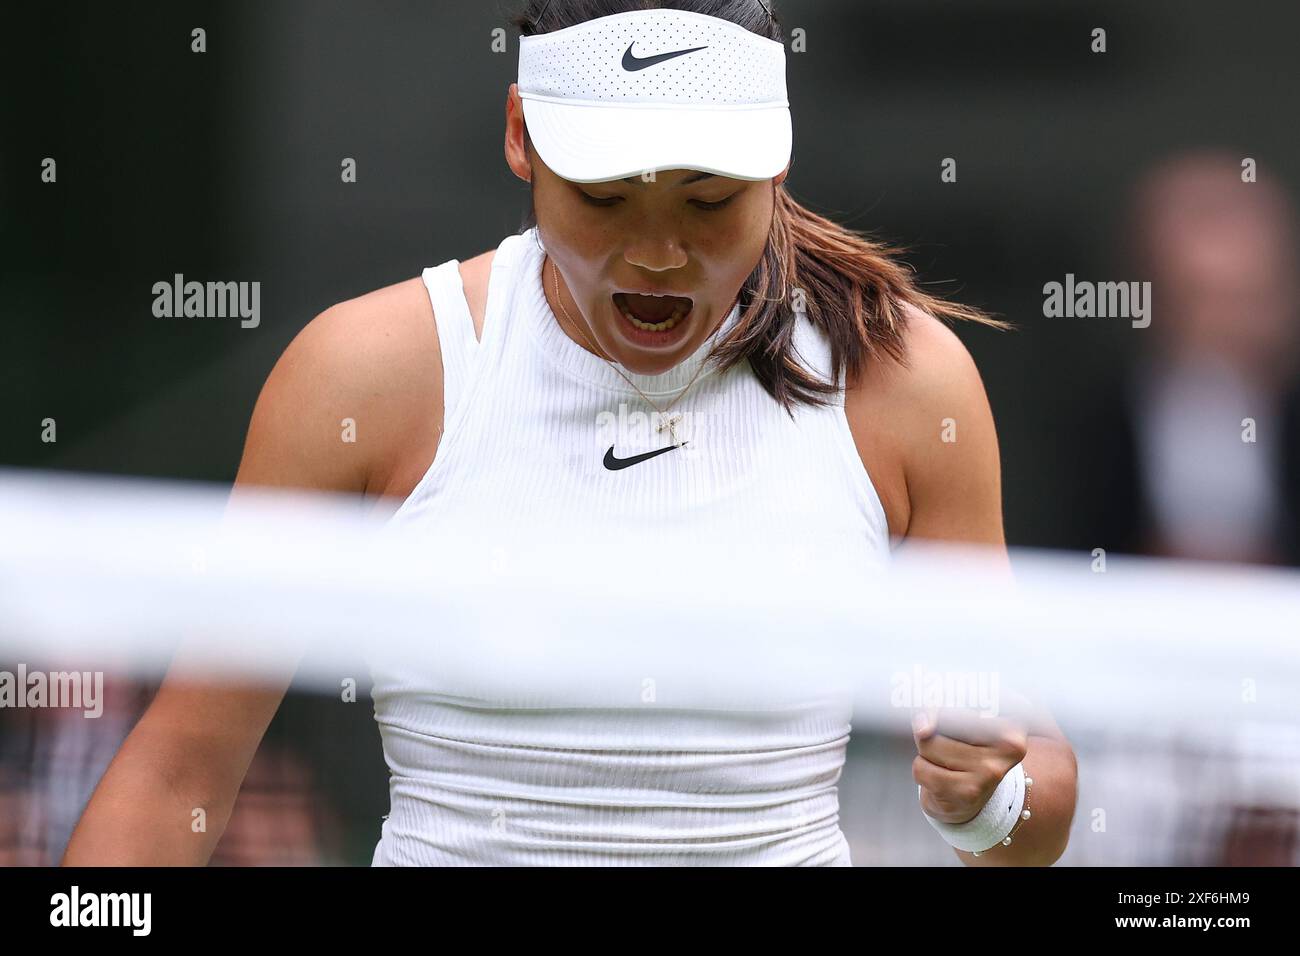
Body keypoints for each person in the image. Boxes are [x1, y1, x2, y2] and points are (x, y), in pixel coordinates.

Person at [63, 0, 1077, 867]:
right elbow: (180, 772)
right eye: (602, 198)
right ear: (521, 138)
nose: (655, 252)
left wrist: (989, 798)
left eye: (708, 199)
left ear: (775, 156)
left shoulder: (902, 382)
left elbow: (1033, 804)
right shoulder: (366, 376)